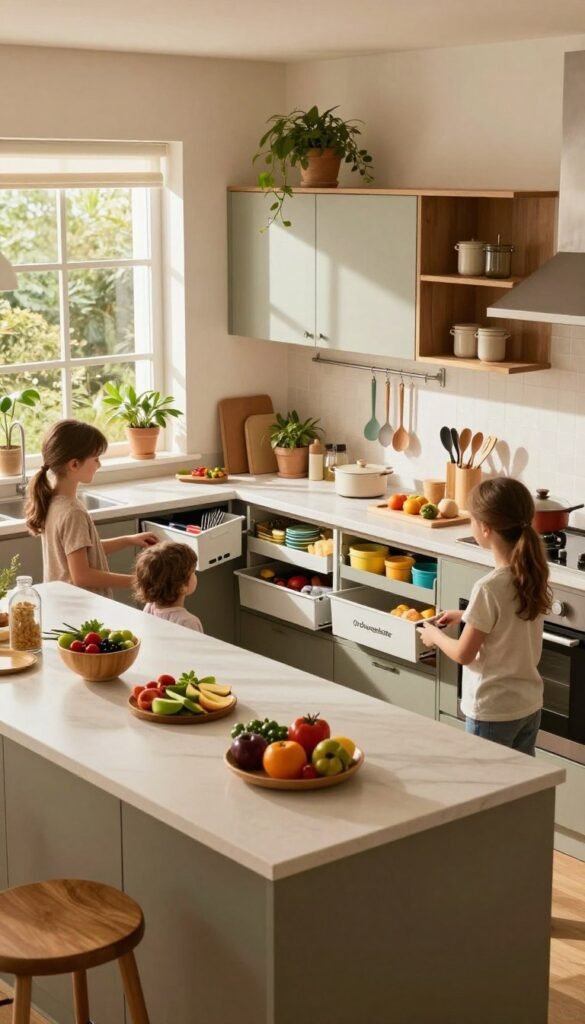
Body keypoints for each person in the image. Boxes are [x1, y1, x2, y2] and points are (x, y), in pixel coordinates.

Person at [420, 477, 551, 756]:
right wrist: (467, 615)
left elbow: (463, 654)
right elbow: (507, 623)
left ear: (486, 529)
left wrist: (435, 636)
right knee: (517, 790)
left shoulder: (488, 588)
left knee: (486, 793)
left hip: (492, 712)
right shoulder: (532, 574)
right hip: (527, 706)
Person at [25, 419, 158, 597]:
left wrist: (128, 540)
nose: (99, 464)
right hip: (81, 609)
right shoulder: (73, 512)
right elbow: (82, 576)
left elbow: (81, 553)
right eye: (95, 459)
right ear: (74, 465)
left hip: (61, 605)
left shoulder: (53, 501)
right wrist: (138, 581)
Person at [133, 540, 203, 632]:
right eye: (193, 572)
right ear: (182, 587)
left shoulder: (150, 608)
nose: (195, 575)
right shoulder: (188, 622)